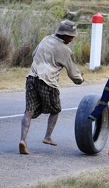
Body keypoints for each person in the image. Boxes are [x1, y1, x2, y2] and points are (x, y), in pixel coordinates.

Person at [19, 20, 84, 155]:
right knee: (56, 109)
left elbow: (33, 55)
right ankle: (47, 137)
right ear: (64, 35)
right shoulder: (65, 50)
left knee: (29, 111)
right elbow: (74, 74)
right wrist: (80, 79)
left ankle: (23, 140)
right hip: (48, 81)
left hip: (31, 77)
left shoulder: (45, 39)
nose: (72, 38)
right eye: (71, 36)